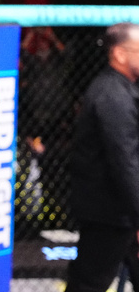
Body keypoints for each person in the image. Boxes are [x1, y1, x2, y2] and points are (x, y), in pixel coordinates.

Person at [65, 22, 139, 292]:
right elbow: (125, 161)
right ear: (120, 54)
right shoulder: (112, 95)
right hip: (110, 213)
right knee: (89, 283)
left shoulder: (123, 90)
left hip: (121, 211)